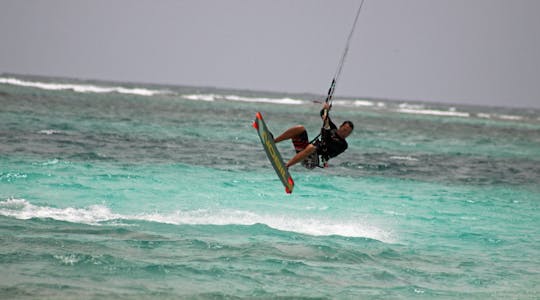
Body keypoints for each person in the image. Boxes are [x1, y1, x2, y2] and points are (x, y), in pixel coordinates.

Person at [274, 103, 353, 168]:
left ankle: (286, 166)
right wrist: (326, 109)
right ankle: (273, 141)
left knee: (312, 147)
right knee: (300, 128)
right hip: (303, 151)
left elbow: (328, 139)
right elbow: (323, 115)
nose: (345, 133)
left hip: (311, 162)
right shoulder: (333, 129)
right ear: (340, 126)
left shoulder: (343, 145)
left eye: (348, 132)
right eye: (345, 129)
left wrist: (326, 125)